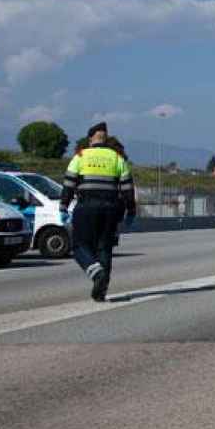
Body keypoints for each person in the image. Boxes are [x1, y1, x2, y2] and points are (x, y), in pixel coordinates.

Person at [59, 122, 136, 301]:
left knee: (79, 246)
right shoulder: (117, 158)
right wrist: (131, 211)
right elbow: (127, 188)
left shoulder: (81, 156)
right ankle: (101, 291)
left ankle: (96, 273)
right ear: (105, 138)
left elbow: (69, 184)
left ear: (90, 138)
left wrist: (63, 207)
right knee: (105, 247)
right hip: (111, 209)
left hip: (86, 207)